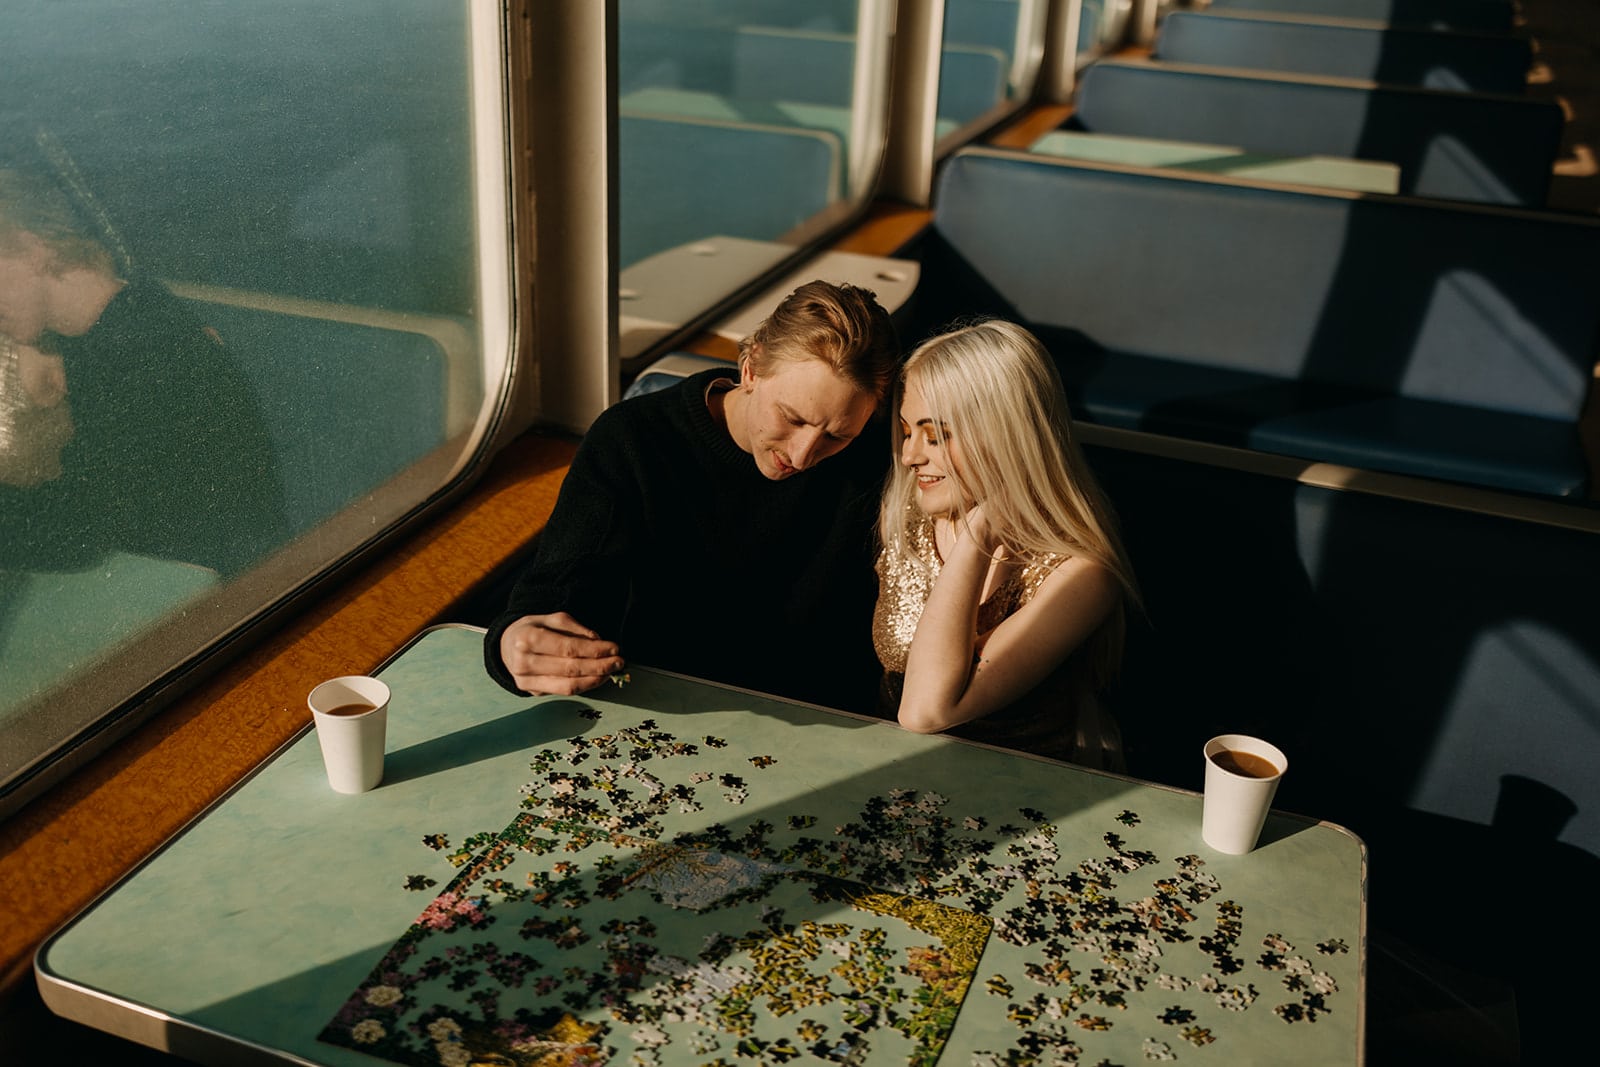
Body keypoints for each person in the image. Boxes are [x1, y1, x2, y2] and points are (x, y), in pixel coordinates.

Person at [485, 280, 900, 712]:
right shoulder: (634, 440)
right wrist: (513, 643)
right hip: (671, 706)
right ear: (752, 369)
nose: (803, 454)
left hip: (828, 714)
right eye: (792, 418)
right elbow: (559, 592)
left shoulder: (880, 458)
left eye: (837, 436)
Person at [872, 319, 1139, 767]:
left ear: (1005, 437)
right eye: (907, 430)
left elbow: (926, 710)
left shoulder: (1082, 573)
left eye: (936, 435)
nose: (910, 455)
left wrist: (979, 535)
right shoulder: (909, 513)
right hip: (898, 771)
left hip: (1023, 794)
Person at [0, 165, 287, 577]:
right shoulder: (128, 314)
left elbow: (77, 535)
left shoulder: (138, 352)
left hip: (215, 588)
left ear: (33, 250)